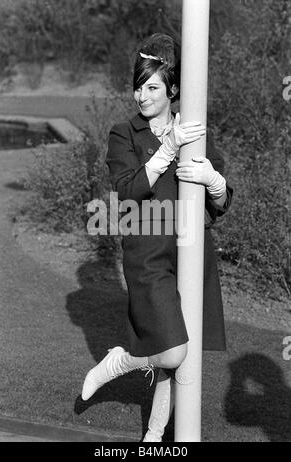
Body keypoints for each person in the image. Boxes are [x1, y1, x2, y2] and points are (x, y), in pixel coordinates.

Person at [81, 33, 233, 442]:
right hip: (147, 253)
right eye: (137, 87)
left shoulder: (195, 128)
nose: (140, 96)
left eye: (151, 88)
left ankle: (154, 437)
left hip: (191, 253)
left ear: (173, 91)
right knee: (170, 350)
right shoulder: (123, 133)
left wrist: (214, 182)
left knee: (175, 355)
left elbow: (221, 200)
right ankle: (120, 361)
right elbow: (127, 190)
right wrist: (167, 148)